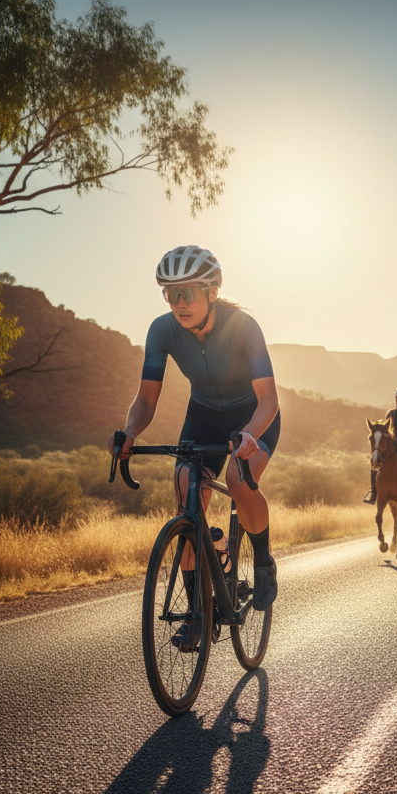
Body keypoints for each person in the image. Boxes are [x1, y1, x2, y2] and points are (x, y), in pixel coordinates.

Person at [108, 245, 281, 629]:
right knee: (186, 489)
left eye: (188, 293)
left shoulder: (243, 327)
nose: (180, 303)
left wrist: (251, 435)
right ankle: (198, 608)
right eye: (171, 294)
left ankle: (264, 561)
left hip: (251, 415)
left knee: (238, 479)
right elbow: (146, 398)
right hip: (203, 414)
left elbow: (269, 399)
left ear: (213, 292)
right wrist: (130, 431)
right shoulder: (163, 330)